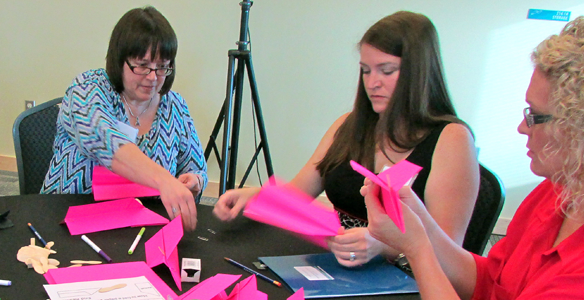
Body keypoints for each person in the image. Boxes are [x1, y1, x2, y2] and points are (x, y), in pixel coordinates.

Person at [214, 11, 479, 266]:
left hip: (406, 275)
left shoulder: (452, 139)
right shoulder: (349, 124)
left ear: (419, 73)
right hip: (339, 265)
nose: (372, 83)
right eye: (366, 70)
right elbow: (299, 191)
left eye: (386, 71)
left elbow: (448, 253)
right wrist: (255, 195)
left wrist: (383, 245)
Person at [363, 16, 584, 300]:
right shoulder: (555, 192)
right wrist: (419, 223)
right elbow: (490, 281)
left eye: (534, 116)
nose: (522, 127)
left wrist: (416, 248)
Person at [40, 6, 207, 231]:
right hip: (69, 222)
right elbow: (107, 141)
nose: (153, 77)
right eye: (142, 66)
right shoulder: (88, 89)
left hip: (143, 227)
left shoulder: (174, 105)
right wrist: (164, 180)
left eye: (162, 67)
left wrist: (195, 181)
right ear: (120, 60)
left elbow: (197, 167)